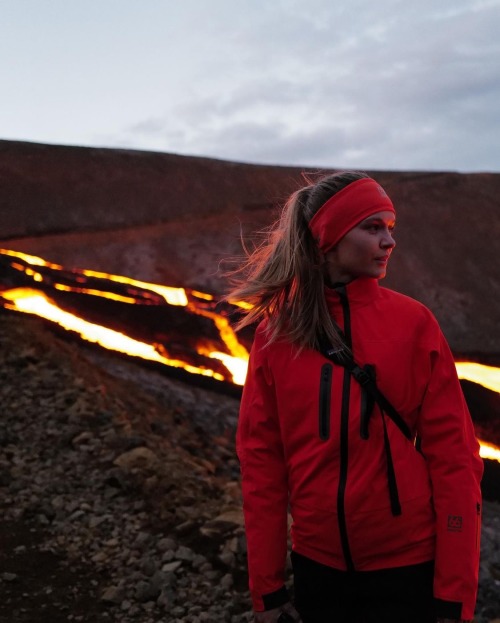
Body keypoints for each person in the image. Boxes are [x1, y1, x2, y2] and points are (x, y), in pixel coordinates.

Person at [229, 171, 483, 623]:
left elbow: (456, 461)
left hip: (407, 567)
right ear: (327, 236)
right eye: (372, 227)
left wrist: (454, 597)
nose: (389, 241)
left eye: (391, 228)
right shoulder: (277, 335)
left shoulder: (414, 324)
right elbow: (262, 466)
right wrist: (266, 589)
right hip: (318, 568)